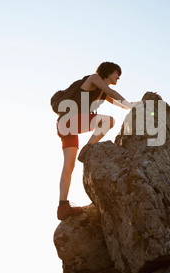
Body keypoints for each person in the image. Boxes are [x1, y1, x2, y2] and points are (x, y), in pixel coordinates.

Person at [56, 61, 133, 221]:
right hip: (70, 120)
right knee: (108, 121)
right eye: (116, 73)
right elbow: (111, 92)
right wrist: (133, 106)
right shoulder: (94, 78)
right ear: (108, 71)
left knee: (69, 166)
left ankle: (62, 206)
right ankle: (89, 146)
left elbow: (119, 102)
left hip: (64, 125)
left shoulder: (103, 93)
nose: (118, 77)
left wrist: (138, 104)